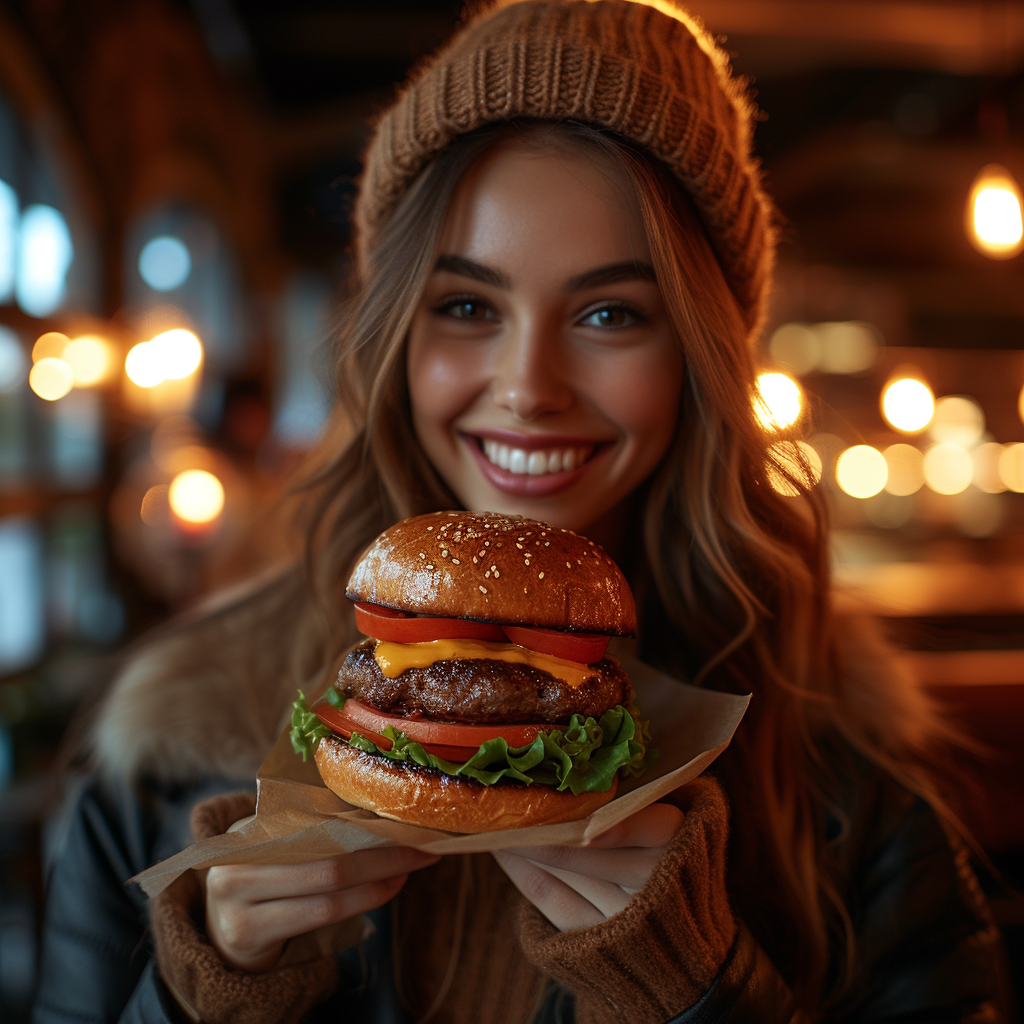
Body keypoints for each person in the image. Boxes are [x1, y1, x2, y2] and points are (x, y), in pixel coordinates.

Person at [34, 2, 1004, 1023]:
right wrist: (206, 992)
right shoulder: (165, 763)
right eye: (466, 305)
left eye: (609, 313)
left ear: (701, 359)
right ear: (397, 335)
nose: (527, 384)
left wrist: (702, 992)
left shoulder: (847, 800)